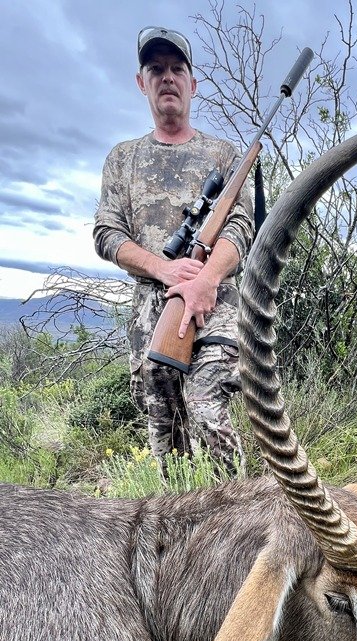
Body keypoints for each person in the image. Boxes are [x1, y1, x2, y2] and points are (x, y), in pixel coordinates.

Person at [93, 26, 254, 477]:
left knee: (204, 406)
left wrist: (205, 279)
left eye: (177, 69)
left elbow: (240, 226)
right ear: (141, 82)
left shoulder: (222, 154)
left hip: (215, 306)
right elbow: (107, 233)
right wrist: (163, 269)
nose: (167, 77)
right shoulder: (122, 158)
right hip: (153, 314)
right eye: (156, 69)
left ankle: (240, 522)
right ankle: (183, 540)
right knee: (168, 444)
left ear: (192, 84)